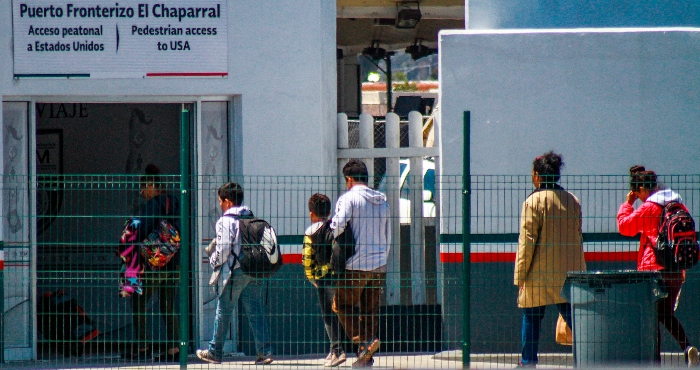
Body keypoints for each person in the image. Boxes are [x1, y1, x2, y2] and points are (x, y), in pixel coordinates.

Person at [617, 165, 699, 367]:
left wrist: (627, 204)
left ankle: (655, 363)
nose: (639, 197)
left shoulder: (649, 207)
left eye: (639, 193)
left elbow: (625, 227)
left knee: (653, 318)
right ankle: (687, 347)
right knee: (664, 314)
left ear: (643, 190)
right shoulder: (678, 205)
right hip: (676, 270)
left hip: (654, 271)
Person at [514, 151, 586, 368]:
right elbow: (578, 235)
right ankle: (587, 359)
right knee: (574, 319)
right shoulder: (572, 200)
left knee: (532, 318)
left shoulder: (533, 202)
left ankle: (528, 362)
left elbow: (526, 243)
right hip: (568, 275)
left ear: (537, 175)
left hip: (539, 274)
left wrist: (520, 277)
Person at [196, 182, 273, 365]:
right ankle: (265, 352)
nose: (220, 205)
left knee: (223, 311)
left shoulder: (225, 221)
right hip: (253, 270)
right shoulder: (251, 217)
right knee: (255, 311)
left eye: (221, 201)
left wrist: (213, 261)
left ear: (228, 201)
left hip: (234, 272)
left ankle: (214, 351)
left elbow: (223, 249)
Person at [330, 159, 390, 368]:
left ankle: (363, 342)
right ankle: (366, 357)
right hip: (379, 264)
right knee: (369, 310)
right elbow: (387, 232)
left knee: (342, 305)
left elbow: (337, 226)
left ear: (349, 179)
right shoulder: (382, 199)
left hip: (356, 265)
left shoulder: (349, 198)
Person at [126, 163, 181, 362]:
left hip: (155, 264)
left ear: (151, 184)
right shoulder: (175, 201)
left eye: (143, 188)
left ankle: (142, 347)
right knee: (168, 305)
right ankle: (175, 349)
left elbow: (141, 232)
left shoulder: (152, 205)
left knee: (138, 301)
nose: (141, 193)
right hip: (175, 264)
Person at [303, 193, 347, 367]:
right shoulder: (335, 228)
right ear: (329, 212)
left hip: (323, 278)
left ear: (311, 213)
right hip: (339, 275)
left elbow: (307, 257)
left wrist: (311, 276)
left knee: (328, 315)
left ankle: (338, 350)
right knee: (340, 312)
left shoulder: (311, 232)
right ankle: (333, 350)